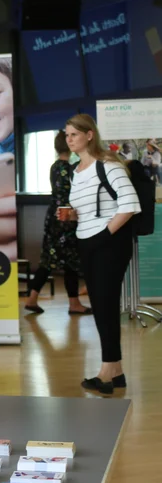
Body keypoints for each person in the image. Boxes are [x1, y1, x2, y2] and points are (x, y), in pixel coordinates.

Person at [65, 114, 140, 395]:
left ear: (89, 135)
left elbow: (129, 205)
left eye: (74, 134)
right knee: (100, 304)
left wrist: (103, 235)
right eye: (67, 134)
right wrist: (74, 215)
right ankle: (116, 370)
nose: (69, 139)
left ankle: (107, 371)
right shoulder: (76, 170)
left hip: (109, 242)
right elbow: (87, 208)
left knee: (106, 305)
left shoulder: (108, 165)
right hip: (87, 240)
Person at [24, 132, 90, 316]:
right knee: (71, 262)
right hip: (65, 219)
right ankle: (74, 303)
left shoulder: (54, 167)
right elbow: (70, 196)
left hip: (53, 218)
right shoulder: (69, 169)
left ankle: (32, 298)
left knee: (48, 260)